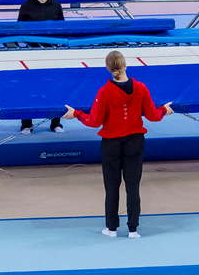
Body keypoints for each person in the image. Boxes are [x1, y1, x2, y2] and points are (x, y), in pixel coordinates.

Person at [64, 50, 173, 238]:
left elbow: (94, 121)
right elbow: (153, 116)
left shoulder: (105, 92)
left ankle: (111, 228)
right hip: (135, 142)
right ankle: (133, 229)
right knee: (133, 186)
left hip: (111, 144)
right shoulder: (141, 88)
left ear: (108, 68)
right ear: (125, 65)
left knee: (112, 187)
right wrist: (164, 109)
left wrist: (76, 114)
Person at [18, 0, 65, 134]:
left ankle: (56, 123)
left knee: (55, 86)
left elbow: (62, 29)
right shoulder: (26, 6)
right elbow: (19, 31)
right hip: (32, 52)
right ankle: (26, 124)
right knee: (29, 87)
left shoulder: (56, 5)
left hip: (52, 52)